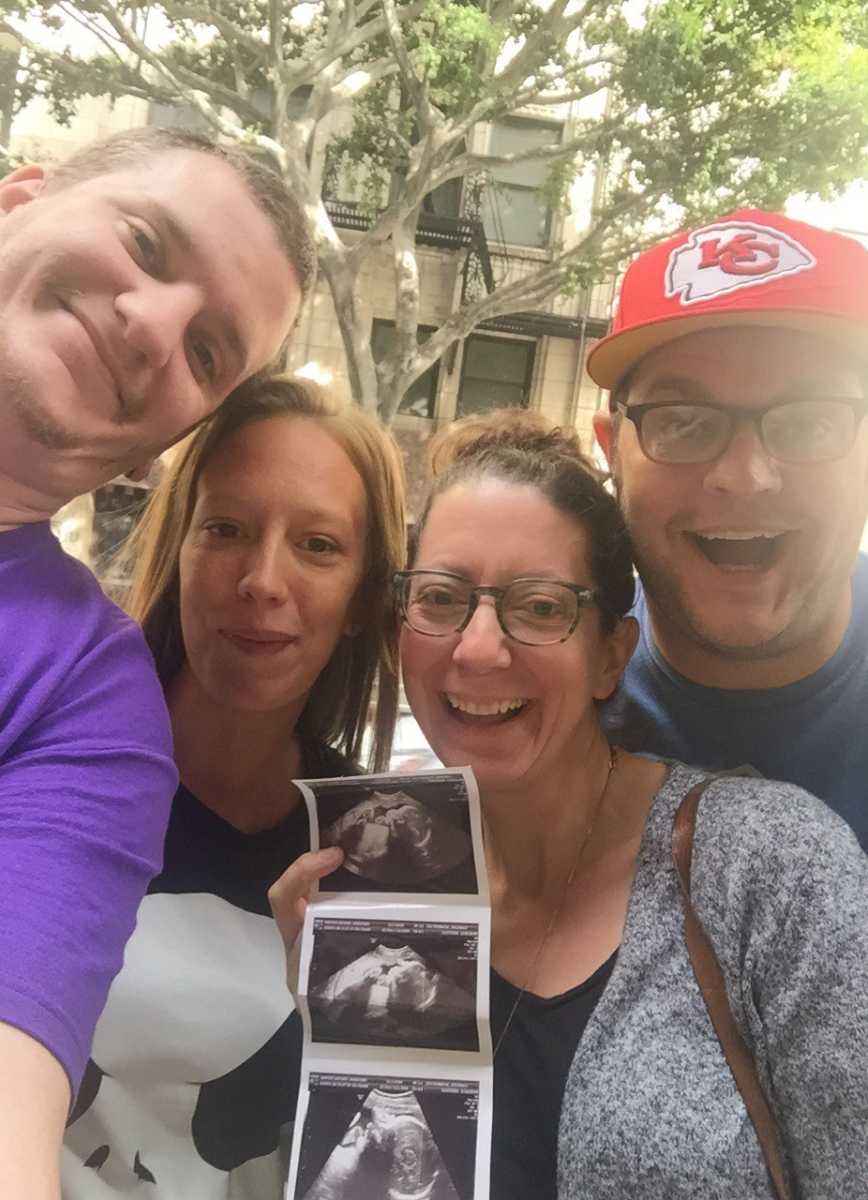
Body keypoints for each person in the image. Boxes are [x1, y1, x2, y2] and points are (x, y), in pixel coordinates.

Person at [271, 410, 868, 1200]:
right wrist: (330, 1016)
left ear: (611, 656)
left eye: (542, 607)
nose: (478, 648)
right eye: (443, 597)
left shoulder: (775, 865)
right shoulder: (378, 878)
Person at [0, 126, 312, 1197]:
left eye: (210, 350)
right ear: (13, 196)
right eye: (145, 242)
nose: (154, 326)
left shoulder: (83, 713)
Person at [62, 375, 407, 1197]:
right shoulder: (50, 756)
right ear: (178, 549)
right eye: (226, 528)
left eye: (318, 545)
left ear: (363, 597)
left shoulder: (386, 848)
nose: (262, 579)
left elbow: (394, 1157)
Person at [587, 209, 868, 847]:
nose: (746, 477)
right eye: (683, 421)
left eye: (811, 422)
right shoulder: (542, 697)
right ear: (610, 451)